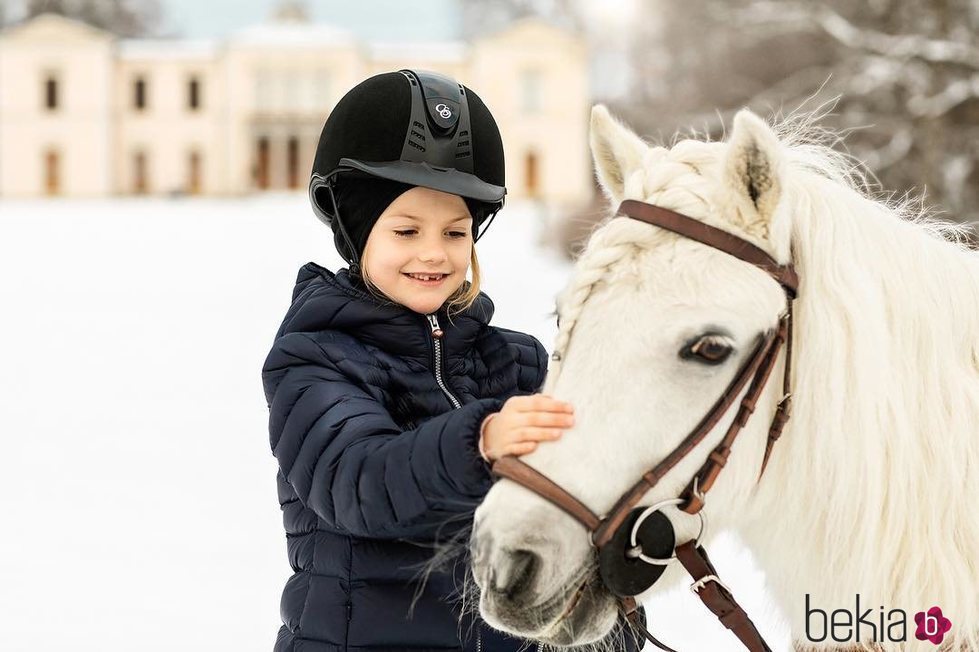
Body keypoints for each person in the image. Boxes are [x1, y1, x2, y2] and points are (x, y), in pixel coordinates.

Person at [261, 69, 646, 652]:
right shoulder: (315, 359)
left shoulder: (517, 362)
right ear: (355, 231)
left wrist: (607, 616)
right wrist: (481, 442)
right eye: (406, 230)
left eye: (455, 232)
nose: (434, 254)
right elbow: (359, 483)